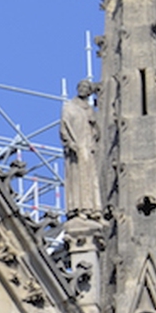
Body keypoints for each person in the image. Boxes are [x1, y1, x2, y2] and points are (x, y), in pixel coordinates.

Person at [60, 79, 100, 216]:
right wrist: (70, 143)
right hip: (76, 147)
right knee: (77, 176)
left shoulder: (90, 111)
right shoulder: (69, 106)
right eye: (81, 86)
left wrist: (95, 125)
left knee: (90, 177)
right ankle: (78, 208)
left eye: (86, 87)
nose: (83, 89)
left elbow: (97, 133)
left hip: (88, 147)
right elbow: (64, 126)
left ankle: (93, 208)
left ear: (89, 92)